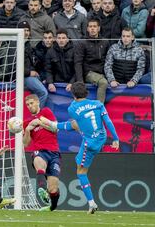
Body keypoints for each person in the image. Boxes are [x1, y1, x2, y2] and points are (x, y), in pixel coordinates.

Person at [40, 82, 119, 214]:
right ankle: (54, 125)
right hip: (102, 138)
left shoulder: (72, 108)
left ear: (73, 95)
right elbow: (108, 121)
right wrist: (116, 139)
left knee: (81, 172)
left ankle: (92, 203)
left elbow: (76, 125)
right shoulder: (98, 104)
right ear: (86, 93)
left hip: (90, 143)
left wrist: (55, 125)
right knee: (77, 126)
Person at [22, 94, 61, 211]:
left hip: (54, 152)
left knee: (53, 189)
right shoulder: (27, 122)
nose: (29, 106)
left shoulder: (46, 112)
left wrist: (40, 123)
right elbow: (26, 143)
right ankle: (41, 189)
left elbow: (55, 129)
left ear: (38, 102)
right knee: (38, 161)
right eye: (27, 105)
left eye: (31, 103)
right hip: (40, 151)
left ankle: (52, 206)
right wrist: (28, 130)